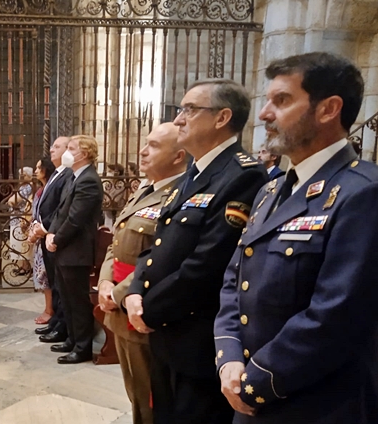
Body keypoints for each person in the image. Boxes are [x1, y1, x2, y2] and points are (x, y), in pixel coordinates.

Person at [214, 52, 378, 424]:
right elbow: (234, 279)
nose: (264, 114)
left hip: (319, 403)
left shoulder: (366, 192)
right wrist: (228, 357)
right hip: (250, 394)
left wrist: (257, 380)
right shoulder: (272, 190)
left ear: (328, 109)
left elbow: (339, 314)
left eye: (283, 100)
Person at [120, 79, 268, 424]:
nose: (178, 119)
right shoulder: (194, 173)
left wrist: (148, 310)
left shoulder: (241, 176)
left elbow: (207, 265)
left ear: (222, 118)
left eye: (189, 109)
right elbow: (158, 244)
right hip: (166, 334)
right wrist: (134, 293)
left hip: (195, 339)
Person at [97, 122, 187, 424]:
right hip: (119, 310)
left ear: (179, 156)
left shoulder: (181, 195)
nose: (142, 151)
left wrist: (118, 292)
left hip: (143, 307)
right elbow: (117, 240)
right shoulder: (145, 189)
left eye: (154, 145)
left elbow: (168, 256)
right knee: (135, 391)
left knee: (152, 398)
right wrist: (105, 281)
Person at [45, 135, 104, 364]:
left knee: (78, 302)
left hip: (76, 251)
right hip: (64, 249)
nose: (67, 153)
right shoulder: (73, 176)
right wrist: (51, 234)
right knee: (67, 299)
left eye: (71, 148)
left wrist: (57, 239)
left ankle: (82, 348)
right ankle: (71, 339)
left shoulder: (88, 180)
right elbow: (62, 212)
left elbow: (75, 219)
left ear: (85, 153)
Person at [30, 137, 73, 342]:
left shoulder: (67, 175)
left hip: (55, 236)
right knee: (55, 283)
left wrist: (44, 228)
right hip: (47, 235)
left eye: (57, 147)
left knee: (60, 286)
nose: (51, 149)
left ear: (68, 151)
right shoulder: (58, 174)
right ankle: (56, 322)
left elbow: (60, 209)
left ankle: (61, 326)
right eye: (52, 146)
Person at [31, 156, 56, 325]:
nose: (35, 171)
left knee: (47, 276)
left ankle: (50, 310)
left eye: (38, 167)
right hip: (40, 235)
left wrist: (39, 230)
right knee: (43, 276)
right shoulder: (42, 189)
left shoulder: (52, 187)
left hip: (47, 235)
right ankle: (49, 308)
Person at [6, 167, 34, 276]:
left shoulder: (27, 187)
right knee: (21, 244)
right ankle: (24, 265)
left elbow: (12, 201)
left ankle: (26, 267)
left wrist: (14, 206)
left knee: (22, 243)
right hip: (19, 218)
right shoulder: (26, 186)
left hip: (21, 218)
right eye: (20, 175)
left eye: (24, 175)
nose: (21, 177)